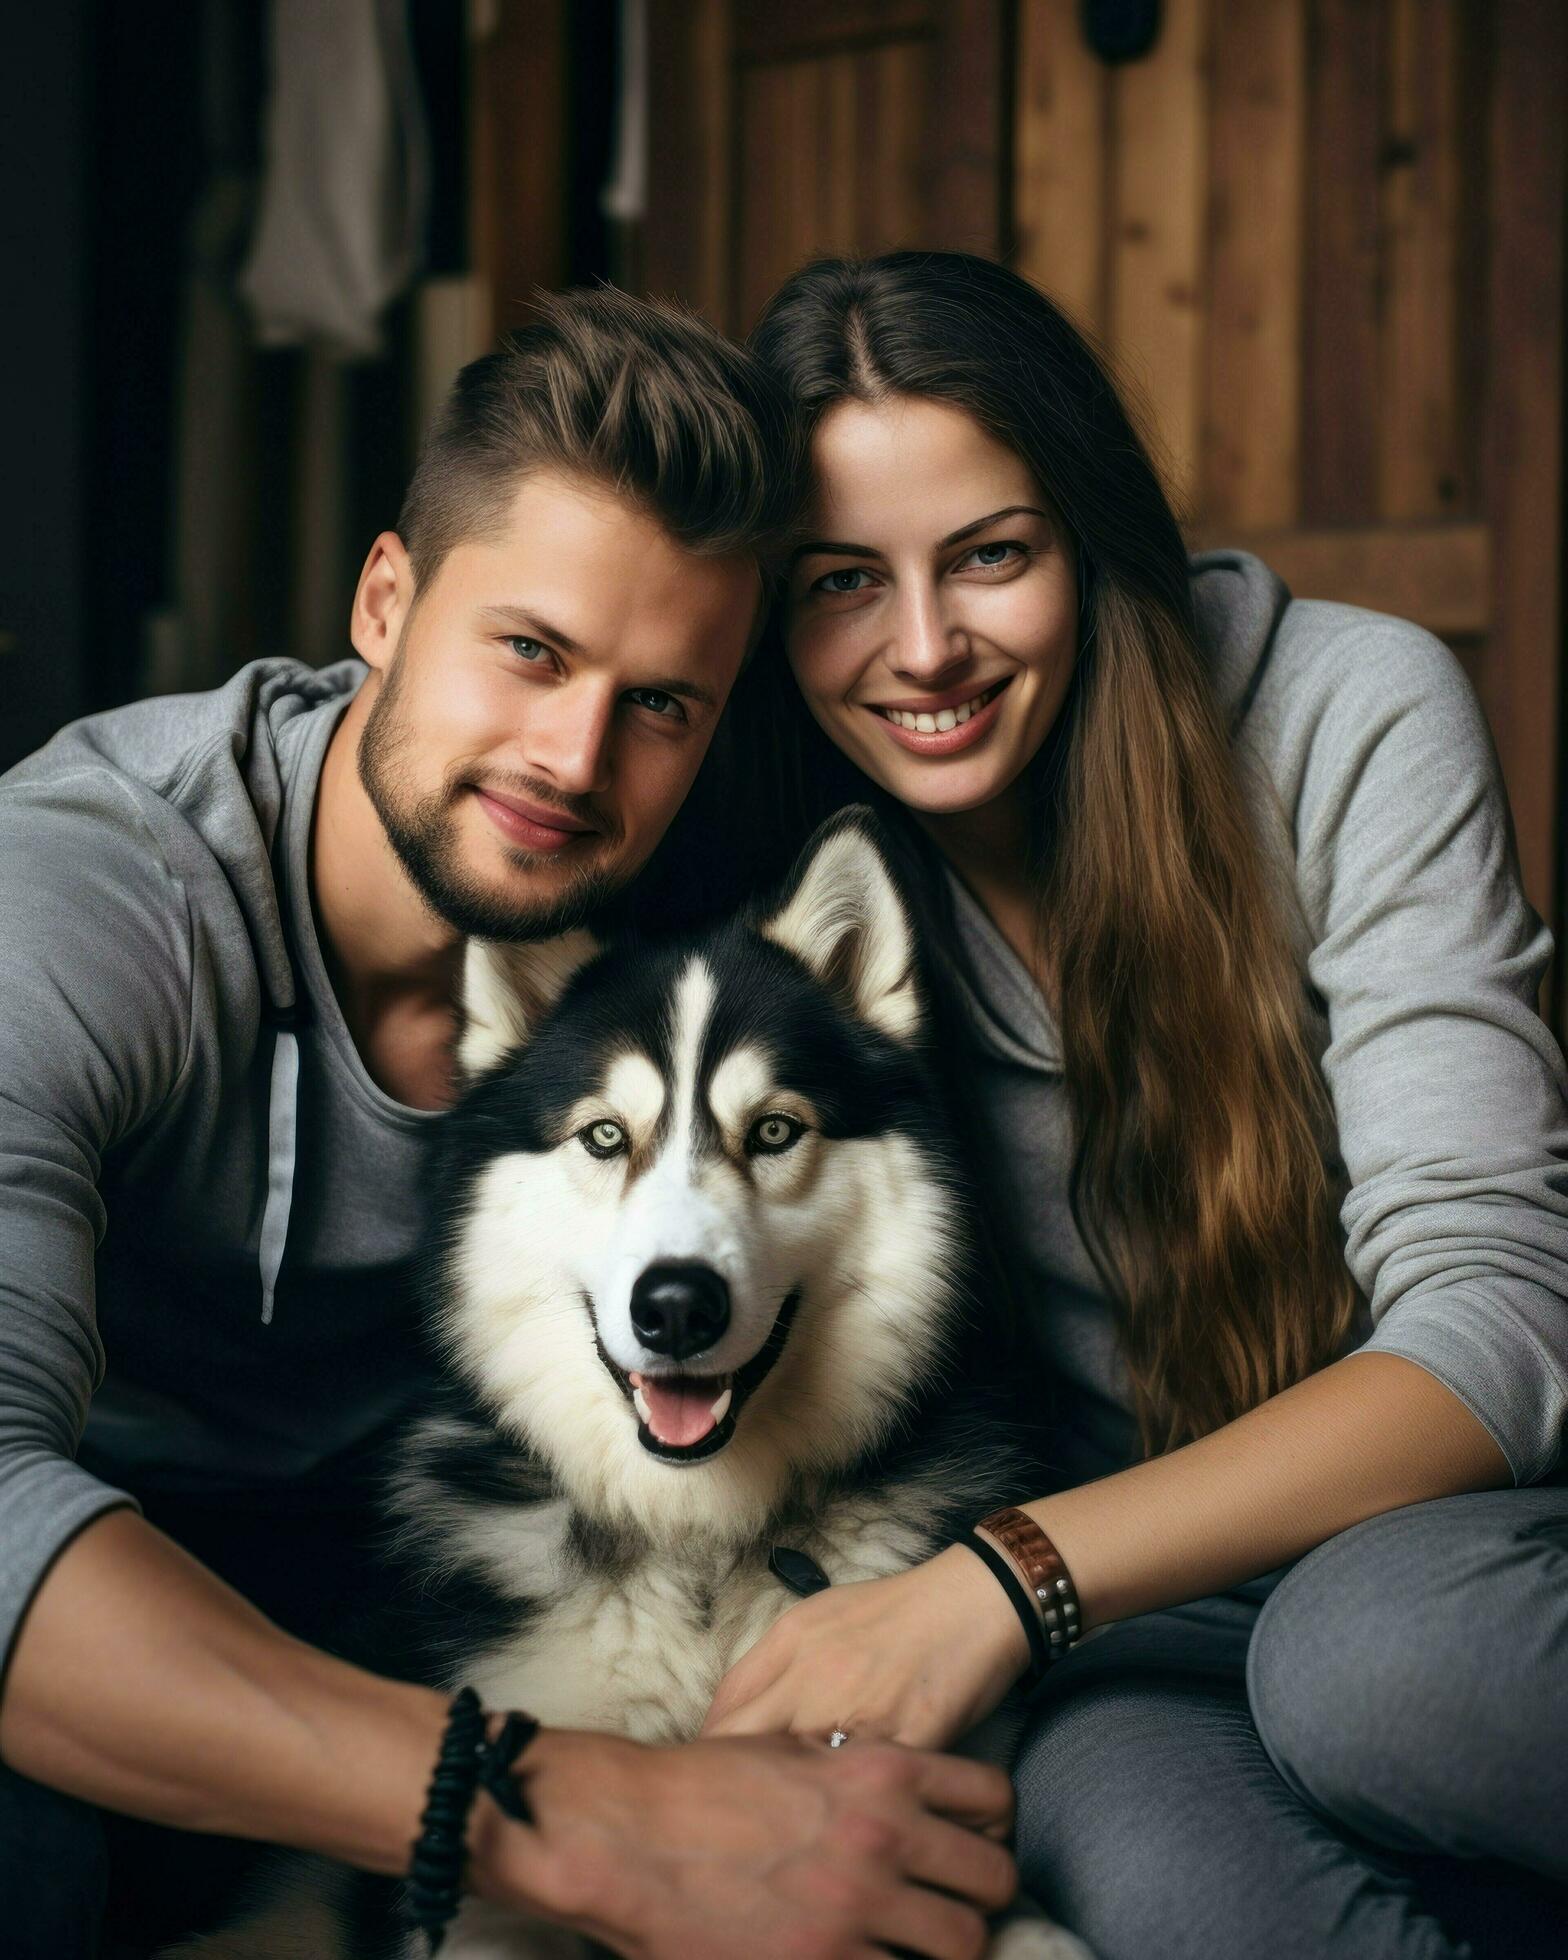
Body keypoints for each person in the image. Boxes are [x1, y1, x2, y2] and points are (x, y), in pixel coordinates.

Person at [0, 286, 1018, 1959]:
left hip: (436, 1558)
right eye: (532, 652)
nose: (571, 756)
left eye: (662, 701)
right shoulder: (91, 903)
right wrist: (572, 1814)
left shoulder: (697, 908)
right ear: (386, 601)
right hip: (114, 1581)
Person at [699, 252, 1568, 1959]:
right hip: (1134, 1641)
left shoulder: (1347, 710)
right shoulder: (787, 868)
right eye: (839, 584)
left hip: (1446, 1551)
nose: (925, 648)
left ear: (1089, 539)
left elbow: (1503, 1325)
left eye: (992, 557)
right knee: (1150, 1870)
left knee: (1369, 1665)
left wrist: (1004, 1581)